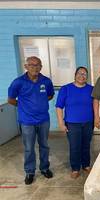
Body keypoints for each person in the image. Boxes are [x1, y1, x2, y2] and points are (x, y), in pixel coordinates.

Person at [8, 56, 54, 185]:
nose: (35, 67)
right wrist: (23, 106)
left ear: (41, 67)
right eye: (32, 65)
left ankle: (45, 168)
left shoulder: (46, 81)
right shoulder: (18, 82)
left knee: (44, 145)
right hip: (27, 121)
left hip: (44, 120)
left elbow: (49, 95)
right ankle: (30, 172)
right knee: (29, 147)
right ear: (26, 66)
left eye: (38, 65)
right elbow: (11, 99)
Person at [55, 67, 94, 179]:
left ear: (87, 77)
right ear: (75, 74)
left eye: (84, 74)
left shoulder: (91, 89)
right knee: (75, 146)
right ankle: (75, 168)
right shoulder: (66, 89)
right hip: (72, 123)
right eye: (79, 73)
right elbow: (59, 107)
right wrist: (61, 123)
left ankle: (86, 165)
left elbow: (95, 105)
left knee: (86, 145)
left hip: (88, 122)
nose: (82, 76)